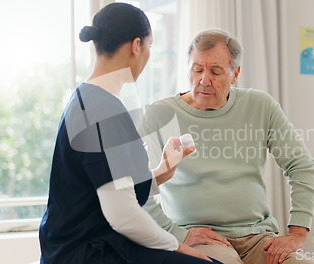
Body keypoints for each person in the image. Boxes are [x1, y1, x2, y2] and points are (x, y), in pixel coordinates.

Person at [38, 3, 223, 264]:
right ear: (136, 46)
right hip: (88, 251)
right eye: (150, 45)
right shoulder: (101, 109)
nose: (148, 54)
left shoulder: (87, 98)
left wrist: (161, 172)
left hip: (72, 244)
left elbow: (109, 188)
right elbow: (122, 214)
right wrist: (179, 247)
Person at [139, 29, 314, 264]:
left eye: (215, 71)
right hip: (198, 237)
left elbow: (302, 166)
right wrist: (175, 232)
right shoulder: (159, 114)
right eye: (197, 70)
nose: (204, 80)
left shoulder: (260, 105)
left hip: (258, 237)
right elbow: (137, 184)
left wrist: (297, 233)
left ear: (235, 75)